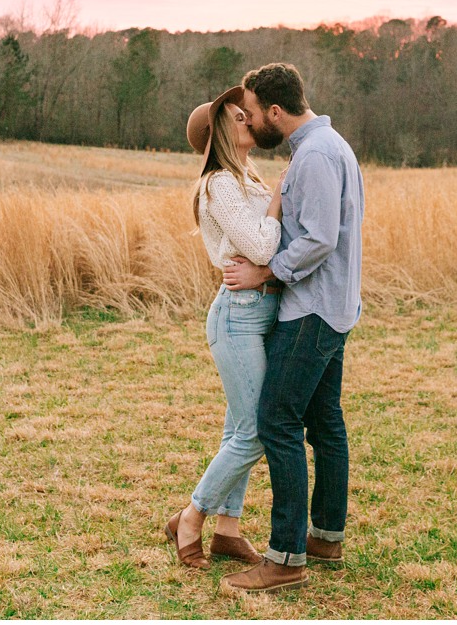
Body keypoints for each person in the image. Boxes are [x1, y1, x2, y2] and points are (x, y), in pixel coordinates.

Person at [219, 61, 365, 593]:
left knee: (277, 419)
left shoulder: (317, 156)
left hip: (312, 309)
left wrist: (265, 272)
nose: (252, 122)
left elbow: (321, 238)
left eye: (254, 113)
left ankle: (285, 558)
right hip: (334, 306)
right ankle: (325, 536)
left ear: (275, 112)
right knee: (324, 421)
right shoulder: (329, 147)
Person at [163, 86, 285, 571]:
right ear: (220, 131)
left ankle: (228, 531)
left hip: (258, 310)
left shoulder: (246, 178)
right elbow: (260, 248)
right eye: (238, 116)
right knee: (255, 431)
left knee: (239, 426)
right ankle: (190, 517)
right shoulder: (219, 184)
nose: (248, 118)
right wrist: (278, 201)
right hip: (237, 313)